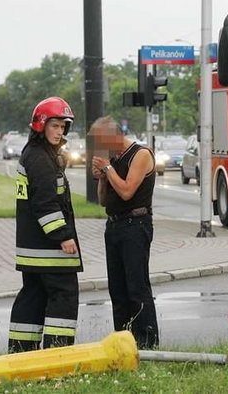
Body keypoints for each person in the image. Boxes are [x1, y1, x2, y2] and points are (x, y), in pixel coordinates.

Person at [8, 97, 81, 353]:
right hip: (50, 252)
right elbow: (45, 204)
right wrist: (63, 235)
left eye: (63, 127)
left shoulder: (35, 153)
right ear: (41, 125)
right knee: (64, 297)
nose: (60, 132)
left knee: (33, 298)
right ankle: (58, 353)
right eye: (55, 126)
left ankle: (20, 353)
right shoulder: (40, 158)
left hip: (33, 249)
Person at [89, 116, 159, 348]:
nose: (97, 146)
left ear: (114, 136)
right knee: (117, 289)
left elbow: (127, 191)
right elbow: (103, 200)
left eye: (100, 140)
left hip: (135, 226)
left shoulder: (140, 154)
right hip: (114, 226)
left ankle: (147, 343)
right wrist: (101, 178)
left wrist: (108, 168)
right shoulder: (113, 159)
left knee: (136, 287)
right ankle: (123, 342)